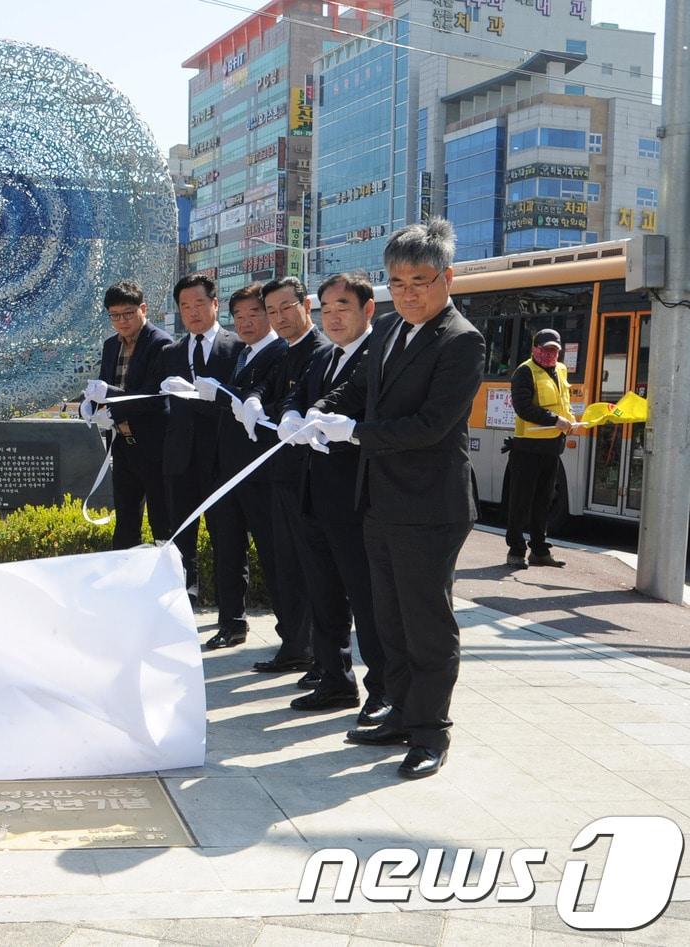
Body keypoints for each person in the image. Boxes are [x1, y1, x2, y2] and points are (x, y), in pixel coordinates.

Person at [310, 218, 485, 780]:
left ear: (447, 278)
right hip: (379, 499)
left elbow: (431, 425)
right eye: (398, 283)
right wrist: (319, 411)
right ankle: (401, 713)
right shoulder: (387, 329)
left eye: (420, 282)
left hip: (430, 506)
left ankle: (431, 732)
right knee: (389, 620)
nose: (408, 294)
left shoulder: (461, 340)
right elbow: (359, 387)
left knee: (426, 622)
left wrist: (355, 433)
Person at [278, 273, 388, 725]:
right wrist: (289, 415)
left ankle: (382, 690)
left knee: (366, 600)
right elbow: (297, 395)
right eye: (326, 309)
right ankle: (334, 678)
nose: (334, 317)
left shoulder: (377, 353)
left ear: (368, 309)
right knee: (324, 596)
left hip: (357, 499)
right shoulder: (324, 355)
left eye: (343, 307)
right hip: (314, 494)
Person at [238, 277, 329, 676]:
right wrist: (254, 399)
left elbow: (303, 401)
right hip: (282, 475)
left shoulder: (320, 350)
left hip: (309, 478)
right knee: (284, 565)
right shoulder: (287, 351)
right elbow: (268, 386)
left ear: (306, 305)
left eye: (285, 308)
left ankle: (319, 655)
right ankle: (294, 645)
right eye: (272, 310)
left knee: (312, 571)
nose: (279, 317)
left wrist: (276, 408)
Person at [153, 274, 245, 639]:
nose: (192, 312)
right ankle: (183, 617)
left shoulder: (236, 347)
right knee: (181, 545)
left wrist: (198, 393)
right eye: (185, 306)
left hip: (223, 461)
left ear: (215, 304)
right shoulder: (171, 353)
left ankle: (232, 622)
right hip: (181, 461)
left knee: (228, 543)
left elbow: (238, 402)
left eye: (199, 304)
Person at [199, 283, 287, 650]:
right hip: (229, 471)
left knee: (273, 554)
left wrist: (221, 393)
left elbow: (266, 405)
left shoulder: (280, 352)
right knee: (227, 550)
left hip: (262, 474)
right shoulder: (243, 352)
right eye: (239, 316)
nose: (246, 322)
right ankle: (231, 623)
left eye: (254, 313)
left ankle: (294, 637)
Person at [81, 279, 173, 549]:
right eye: (115, 315)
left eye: (128, 313)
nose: (122, 321)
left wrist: (111, 406)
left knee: (162, 522)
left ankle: (167, 573)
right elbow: (103, 387)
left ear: (143, 309)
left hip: (155, 447)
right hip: (122, 445)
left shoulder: (161, 343)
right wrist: (91, 407)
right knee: (125, 522)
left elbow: (153, 395)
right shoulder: (111, 345)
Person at [505, 328, 578, 569]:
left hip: (552, 448)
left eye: (554, 350)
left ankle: (539, 551)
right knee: (521, 502)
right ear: (534, 349)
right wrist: (555, 420)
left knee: (544, 502)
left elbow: (563, 402)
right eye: (545, 350)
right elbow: (523, 408)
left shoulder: (561, 370)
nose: (550, 354)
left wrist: (570, 421)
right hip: (527, 448)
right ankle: (516, 551)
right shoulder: (524, 372)